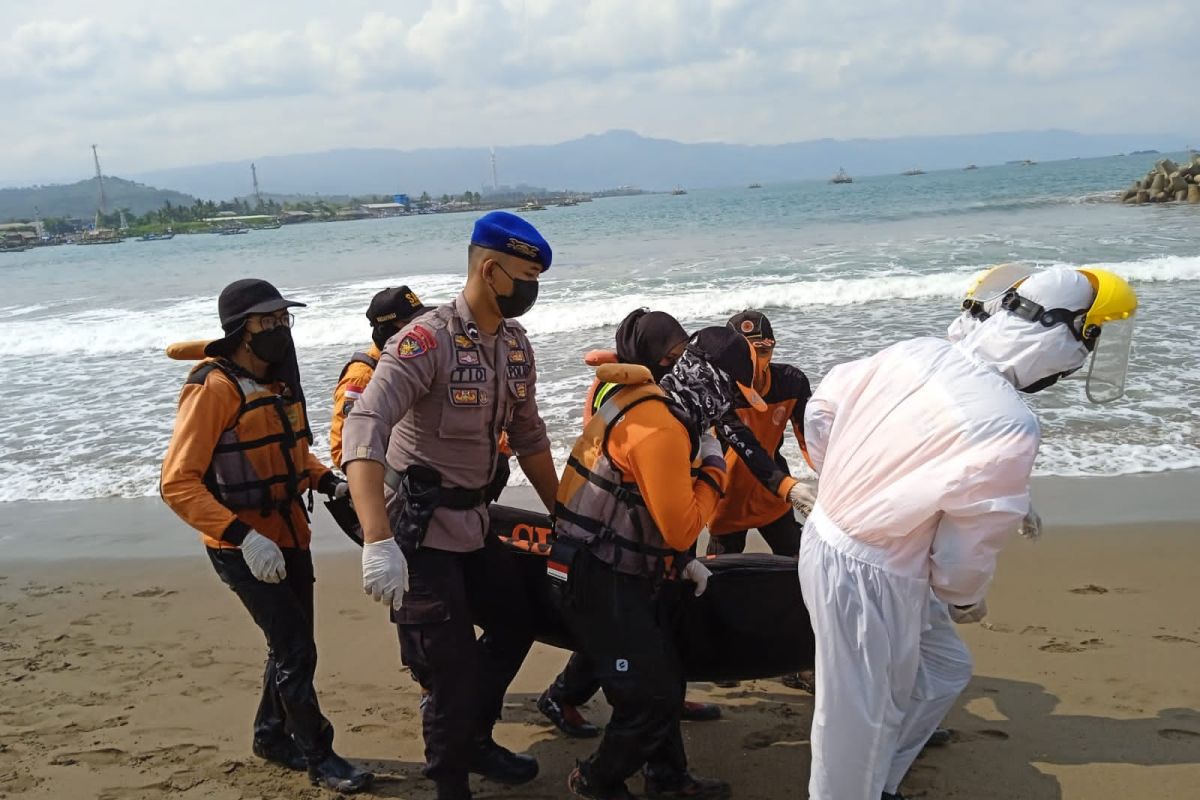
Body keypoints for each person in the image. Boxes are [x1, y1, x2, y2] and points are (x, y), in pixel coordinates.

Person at [797, 267, 1138, 799]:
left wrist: (850, 480)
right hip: (872, 573)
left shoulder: (917, 351)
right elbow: (965, 547)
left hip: (837, 540)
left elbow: (822, 411)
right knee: (857, 723)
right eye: (1084, 343)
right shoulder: (1009, 421)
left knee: (942, 667)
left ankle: (880, 781)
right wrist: (963, 598)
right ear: (1061, 337)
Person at [341, 212, 561, 800]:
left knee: (518, 622)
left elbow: (532, 436)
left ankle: (475, 737)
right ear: (490, 271)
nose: (532, 288)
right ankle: (451, 784)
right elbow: (364, 426)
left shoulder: (514, 346)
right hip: (418, 532)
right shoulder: (425, 341)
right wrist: (377, 540)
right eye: (525, 276)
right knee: (452, 671)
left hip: (474, 522)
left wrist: (566, 514)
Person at [160, 278, 373, 794]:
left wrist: (329, 482)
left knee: (292, 644)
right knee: (296, 648)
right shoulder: (213, 389)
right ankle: (318, 754)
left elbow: (294, 453)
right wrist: (242, 538)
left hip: (289, 533)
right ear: (240, 330)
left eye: (284, 319)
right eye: (268, 321)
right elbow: (177, 483)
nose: (280, 329)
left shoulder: (277, 383)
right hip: (242, 545)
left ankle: (270, 733)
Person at [554, 326, 769, 800]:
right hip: (598, 575)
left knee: (667, 678)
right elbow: (684, 528)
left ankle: (668, 778)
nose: (729, 407)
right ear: (709, 381)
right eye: (730, 394)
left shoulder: (656, 402)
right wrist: (714, 469)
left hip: (621, 565)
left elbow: (654, 509)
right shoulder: (662, 428)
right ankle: (596, 781)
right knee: (649, 698)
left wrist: (678, 561)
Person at [538, 309, 721, 739]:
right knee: (622, 634)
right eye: (673, 353)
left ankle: (665, 698)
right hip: (621, 536)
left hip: (659, 521)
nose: (681, 360)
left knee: (650, 624)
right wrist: (711, 468)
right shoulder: (619, 395)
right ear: (650, 355)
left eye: (684, 350)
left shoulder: (667, 392)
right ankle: (570, 694)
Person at [706, 310, 812, 557]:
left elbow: (811, 444)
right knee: (715, 586)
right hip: (726, 501)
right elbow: (746, 447)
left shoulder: (791, 383)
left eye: (763, 352)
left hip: (773, 496)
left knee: (802, 568)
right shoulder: (717, 391)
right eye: (745, 355)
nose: (754, 363)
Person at [329, 285, 427, 467]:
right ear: (388, 330)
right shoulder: (361, 377)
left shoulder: (412, 366)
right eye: (411, 324)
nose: (421, 329)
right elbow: (343, 449)